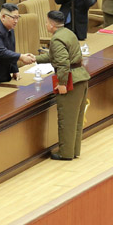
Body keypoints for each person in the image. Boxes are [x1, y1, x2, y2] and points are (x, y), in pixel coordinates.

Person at [35, 11, 90, 160]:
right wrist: (35, 59)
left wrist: (62, 83)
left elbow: (63, 63)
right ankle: (73, 150)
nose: (46, 25)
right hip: (81, 77)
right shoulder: (68, 33)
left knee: (66, 119)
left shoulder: (56, 39)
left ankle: (65, 154)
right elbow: (55, 56)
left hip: (71, 80)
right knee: (76, 119)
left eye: (46, 22)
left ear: (52, 25)